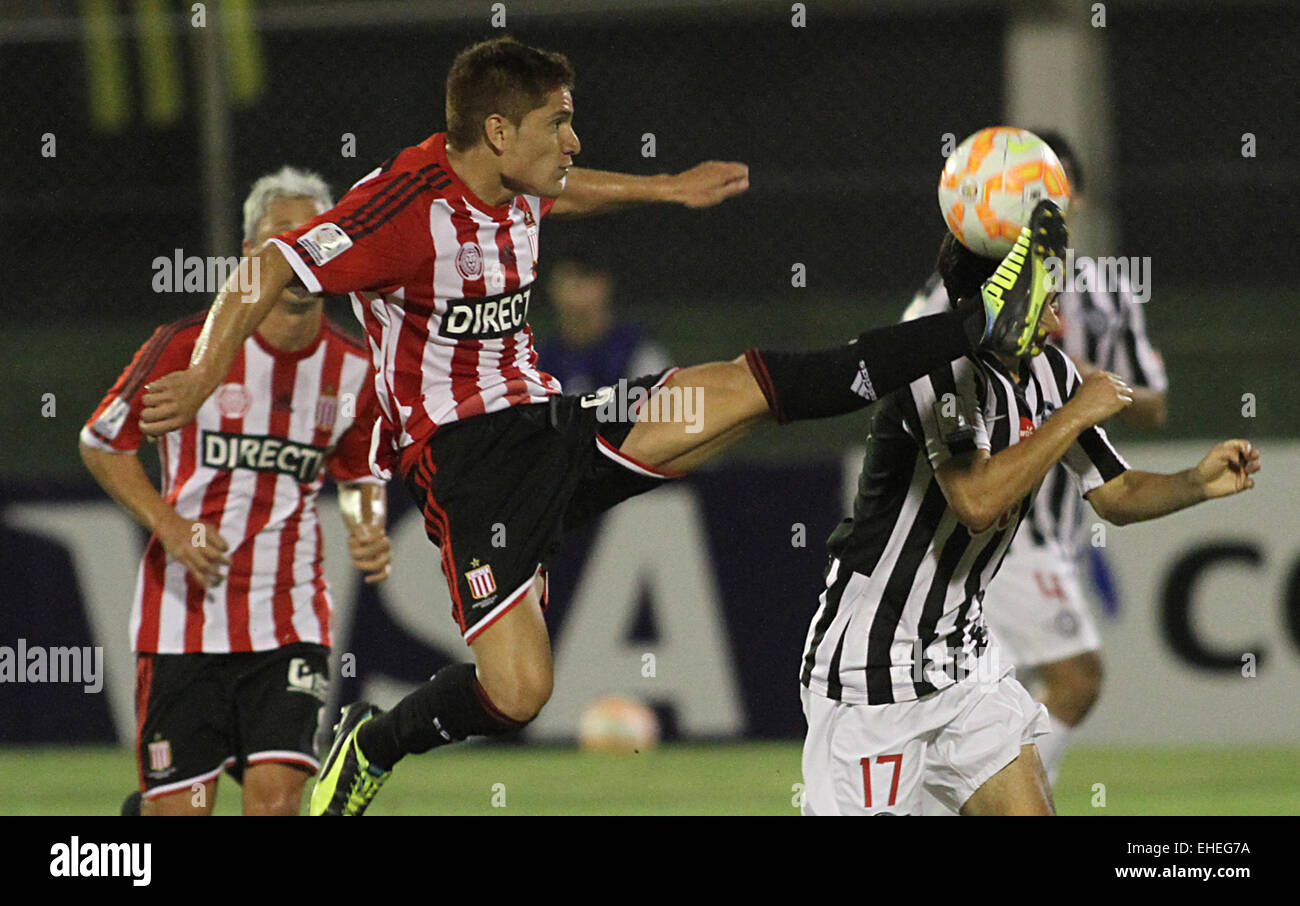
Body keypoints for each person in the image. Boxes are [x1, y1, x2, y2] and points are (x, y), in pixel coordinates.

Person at [135, 37, 1058, 816]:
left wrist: (664, 190)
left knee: (734, 389)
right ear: (499, 131)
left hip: (555, 423)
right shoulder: (402, 210)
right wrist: (205, 372)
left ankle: (975, 323)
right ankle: (376, 745)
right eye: (558, 123)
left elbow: (559, 191)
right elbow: (267, 271)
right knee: (520, 693)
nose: (573, 138)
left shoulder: (516, 180)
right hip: (473, 467)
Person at [798, 228, 1259, 816]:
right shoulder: (932, 367)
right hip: (872, 669)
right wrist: (1071, 417)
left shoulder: (1050, 373)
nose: (1058, 314)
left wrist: (1196, 482)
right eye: (1044, 295)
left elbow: (1114, 492)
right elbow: (975, 499)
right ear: (1004, 299)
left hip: (962, 660)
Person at [80, 167, 392, 815]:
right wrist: (170, 526)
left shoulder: (356, 368)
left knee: (274, 804)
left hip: (290, 617)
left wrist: (367, 523)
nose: (303, 249)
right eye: (285, 235)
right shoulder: (188, 349)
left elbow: (358, 471)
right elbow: (102, 442)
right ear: (254, 257)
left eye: (318, 235)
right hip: (183, 622)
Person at [905, 132, 1168, 794]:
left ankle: (977, 795)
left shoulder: (1106, 290)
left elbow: (1154, 403)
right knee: (1074, 676)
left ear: (1071, 199)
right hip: (992, 512)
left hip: (1056, 518)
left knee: (988, 682)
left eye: (1053, 193)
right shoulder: (959, 284)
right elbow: (904, 365)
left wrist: (1083, 385)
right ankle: (999, 797)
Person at [537, 258, 670, 395]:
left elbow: (660, 410)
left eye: (582, 280)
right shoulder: (542, 357)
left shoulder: (635, 350)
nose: (575, 293)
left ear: (603, 284)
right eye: (567, 283)